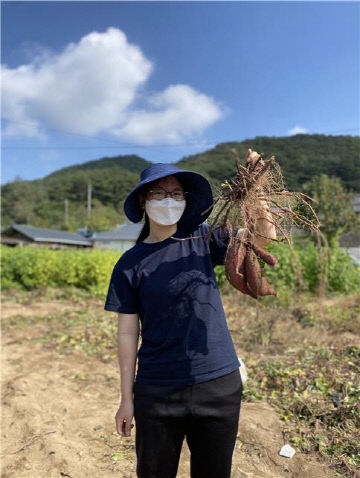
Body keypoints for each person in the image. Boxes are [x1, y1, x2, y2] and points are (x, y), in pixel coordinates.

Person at [104, 157, 276, 478]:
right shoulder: (129, 264)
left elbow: (262, 237)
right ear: (143, 200)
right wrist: (126, 400)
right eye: (159, 193)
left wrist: (256, 193)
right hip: (157, 393)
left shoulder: (205, 239)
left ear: (186, 200)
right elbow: (127, 335)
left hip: (219, 385)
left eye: (176, 194)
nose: (169, 200)